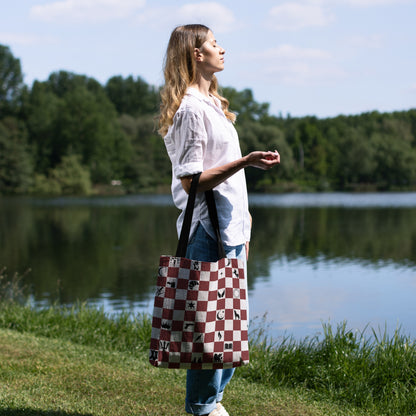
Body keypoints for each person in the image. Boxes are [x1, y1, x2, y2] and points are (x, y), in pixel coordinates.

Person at [158, 24, 280, 416]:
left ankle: (210, 404)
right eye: (214, 44)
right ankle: (203, 406)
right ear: (196, 53)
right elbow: (192, 180)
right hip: (207, 232)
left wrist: (244, 227)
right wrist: (245, 160)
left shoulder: (212, 105)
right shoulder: (192, 109)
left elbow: (229, 184)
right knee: (209, 330)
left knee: (228, 329)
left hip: (229, 230)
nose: (222, 49)